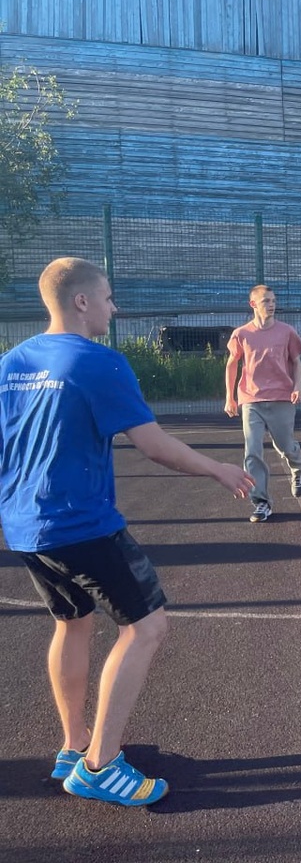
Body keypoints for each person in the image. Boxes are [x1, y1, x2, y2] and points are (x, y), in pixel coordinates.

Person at [0, 257, 254, 806]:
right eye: (109, 298)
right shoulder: (99, 362)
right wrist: (218, 468)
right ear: (82, 301)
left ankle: (74, 745)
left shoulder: (12, 362)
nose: (114, 309)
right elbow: (155, 446)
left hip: (25, 523)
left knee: (72, 621)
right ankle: (100, 764)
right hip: (80, 523)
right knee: (147, 627)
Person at [224, 285, 301, 523]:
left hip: (281, 397)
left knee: (285, 446)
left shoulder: (287, 331)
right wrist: (229, 397)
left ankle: (298, 469)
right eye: (266, 301)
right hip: (251, 399)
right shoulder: (241, 334)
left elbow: (297, 363)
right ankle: (261, 502)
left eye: (273, 301)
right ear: (253, 304)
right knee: (252, 451)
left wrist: (297, 387)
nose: (271, 305)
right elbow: (232, 364)